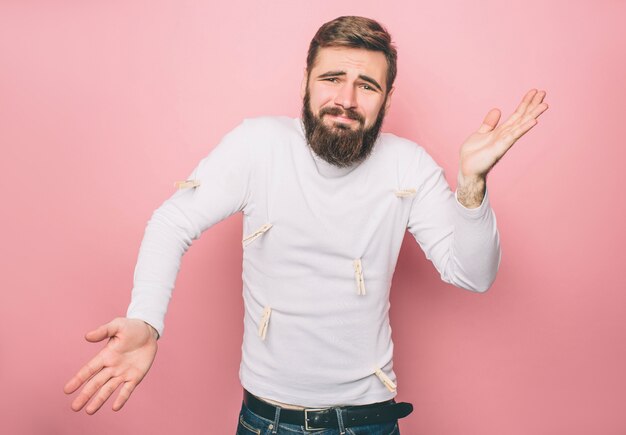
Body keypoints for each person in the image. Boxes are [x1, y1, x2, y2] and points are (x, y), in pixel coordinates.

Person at [64, 16, 548, 434]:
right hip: (268, 422)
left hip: (371, 422)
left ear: (386, 96)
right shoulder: (257, 146)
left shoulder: (408, 165)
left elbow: (473, 274)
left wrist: (472, 182)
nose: (346, 98)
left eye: (367, 85)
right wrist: (146, 318)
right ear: (306, 81)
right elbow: (172, 221)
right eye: (332, 78)